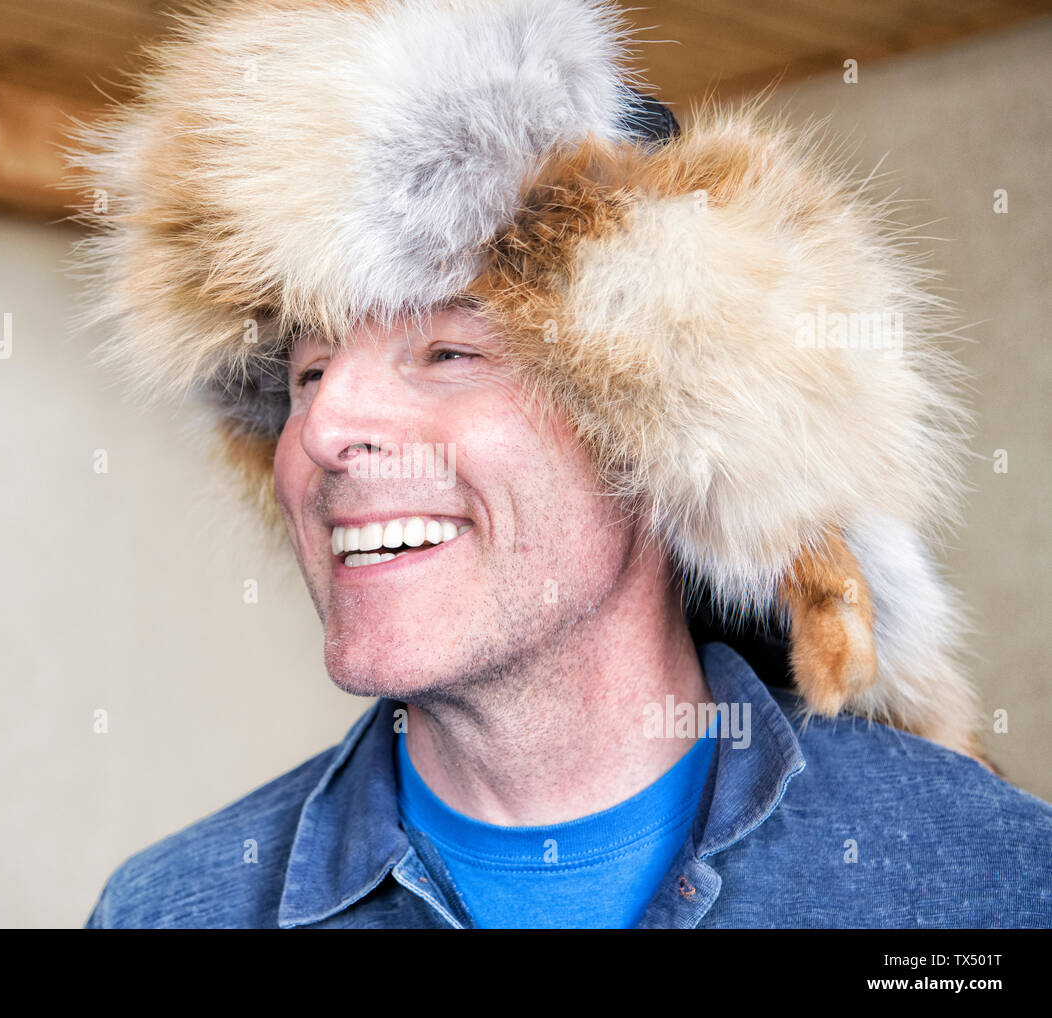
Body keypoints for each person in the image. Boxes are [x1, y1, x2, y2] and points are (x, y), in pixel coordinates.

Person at [72, 0, 1052, 928]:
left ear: (658, 434)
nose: (324, 429)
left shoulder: (987, 876)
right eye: (308, 371)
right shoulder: (172, 907)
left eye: (449, 353)